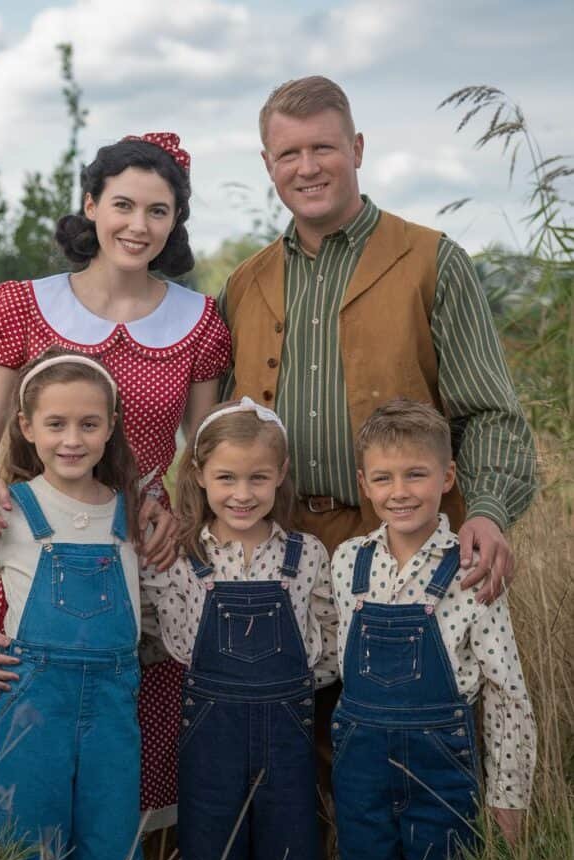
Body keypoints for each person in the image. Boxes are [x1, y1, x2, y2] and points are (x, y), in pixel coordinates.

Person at [219, 74, 537, 793]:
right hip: (282, 543)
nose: (307, 167)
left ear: (356, 147)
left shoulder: (429, 259)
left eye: (323, 146)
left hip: (402, 543)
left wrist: (486, 509)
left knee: (411, 740)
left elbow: (488, 411)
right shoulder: (245, 281)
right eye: (288, 153)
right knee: (286, 742)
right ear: (266, 165)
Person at [0, 132, 231, 827]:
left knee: (124, 769)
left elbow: (202, 451)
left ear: (174, 222)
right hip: (38, 549)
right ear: (90, 204)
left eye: (159, 211)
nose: (138, 225)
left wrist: (177, 513)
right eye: (122, 204)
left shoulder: (197, 321)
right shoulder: (26, 306)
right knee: (19, 766)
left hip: (139, 564)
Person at [0, 350, 146, 860]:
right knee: (26, 826)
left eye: (89, 424)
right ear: (28, 428)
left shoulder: (129, 513)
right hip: (32, 699)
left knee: (109, 831)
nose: (72, 440)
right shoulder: (10, 507)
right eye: (55, 424)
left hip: (113, 703)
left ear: (110, 428)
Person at [141, 397, 338, 860]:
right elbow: (160, 639)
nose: (242, 493)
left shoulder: (306, 557)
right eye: (226, 477)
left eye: (259, 477)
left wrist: (294, 682)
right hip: (211, 733)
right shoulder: (181, 560)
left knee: (291, 843)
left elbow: (327, 642)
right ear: (199, 476)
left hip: (287, 731)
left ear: (280, 476)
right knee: (210, 844)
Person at [330, 399, 536, 860]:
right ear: (364, 483)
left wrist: (508, 797)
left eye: (416, 474)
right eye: (384, 478)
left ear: (447, 477)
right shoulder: (348, 560)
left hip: (441, 764)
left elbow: (507, 689)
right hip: (361, 764)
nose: (399, 491)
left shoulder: (471, 568)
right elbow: (333, 658)